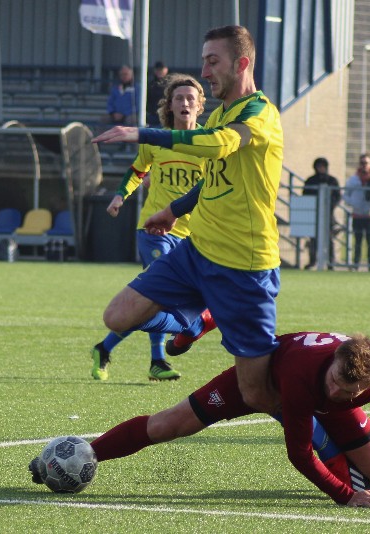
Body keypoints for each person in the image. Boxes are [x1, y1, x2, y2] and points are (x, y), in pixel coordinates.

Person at [33, 332, 370, 511]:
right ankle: (86, 454)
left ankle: (324, 429)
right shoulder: (303, 377)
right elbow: (298, 454)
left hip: (305, 399)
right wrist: (343, 495)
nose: (338, 393)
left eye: (349, 392)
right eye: (334, 382)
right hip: (259, 379)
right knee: (170, 424)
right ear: (333, 360)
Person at [91, 25, 283, 413]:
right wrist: (172, 210)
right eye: (203, 62)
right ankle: (190, 329)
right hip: (194, 251)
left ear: (241, 63)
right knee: (117, 316)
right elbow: (212, 179)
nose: (205, 71)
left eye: (213, 62)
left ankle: (334, 444)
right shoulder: (222, 112)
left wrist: (143, 133)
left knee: (256, 393)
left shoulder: (259, 114)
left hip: (243, 266)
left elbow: (217, 145)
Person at [92, 74, 210, 382]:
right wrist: (120, 196)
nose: (185, 103)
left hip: (190, 236)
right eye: (178, 98)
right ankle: (158, 360)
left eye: (190, 98)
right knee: (161, 296)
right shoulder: (157, 140)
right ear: (169, 105)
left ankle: (105, 348)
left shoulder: (209, 143)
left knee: (157, 303)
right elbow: (136, 171)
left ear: (199, 105)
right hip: (153, 231)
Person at [302, 157, 341, 270]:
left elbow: (337, 196)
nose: (321, 168)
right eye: (319, 166)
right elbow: (305, 195)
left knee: (329, 239)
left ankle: (331, 262)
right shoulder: (310, 180)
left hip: (328, 215)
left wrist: (329, 206)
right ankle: (312, 261)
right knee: (313, 239)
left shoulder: (332, 180)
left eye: (323, 166)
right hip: (314, 214)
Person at [343, 154, 370, 272]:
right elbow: (345, 194)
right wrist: (353, 203)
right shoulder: (353, 179)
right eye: (362, 163)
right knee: (357, 241)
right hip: (357, 215)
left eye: (366, 163)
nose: (364, 165)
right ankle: (356, 264)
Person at [145, 61, 169, 126]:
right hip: (152, 115)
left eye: (161, 69)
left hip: (166, 115)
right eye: (157, 69)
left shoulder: (170, 84)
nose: (159, 71)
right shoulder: (149, 84)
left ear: (166, 70)